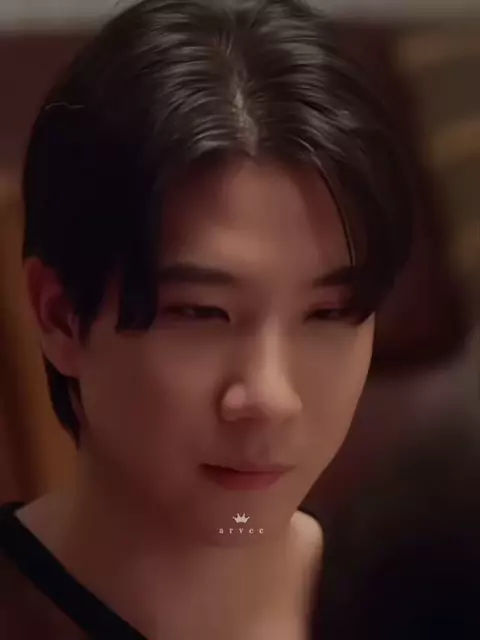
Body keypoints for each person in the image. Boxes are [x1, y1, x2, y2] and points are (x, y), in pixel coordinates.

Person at [0, 0, 413, 637]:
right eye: (200, 313)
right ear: (60, 315)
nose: (271, 398)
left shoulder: (421, 600)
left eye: (329, 313)